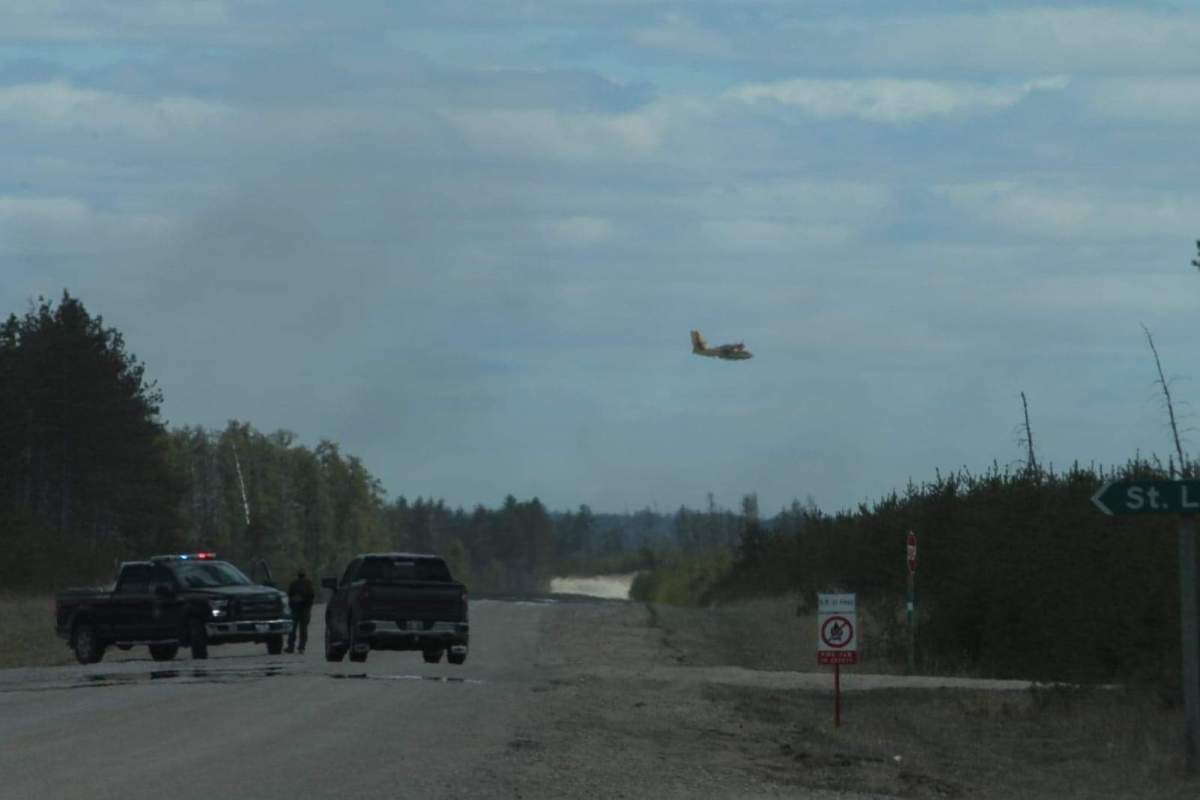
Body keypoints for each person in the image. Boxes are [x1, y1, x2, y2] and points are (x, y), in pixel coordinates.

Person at [285, 568, 315, 654]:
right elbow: (312, 595)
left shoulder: (294, 583)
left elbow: (289, 595)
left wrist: (296, 601)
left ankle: (292, 646)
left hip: (298, 608)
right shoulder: (308, 583)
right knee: (302, 629)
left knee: (294, 628)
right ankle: (301, 647)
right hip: (303, 608)